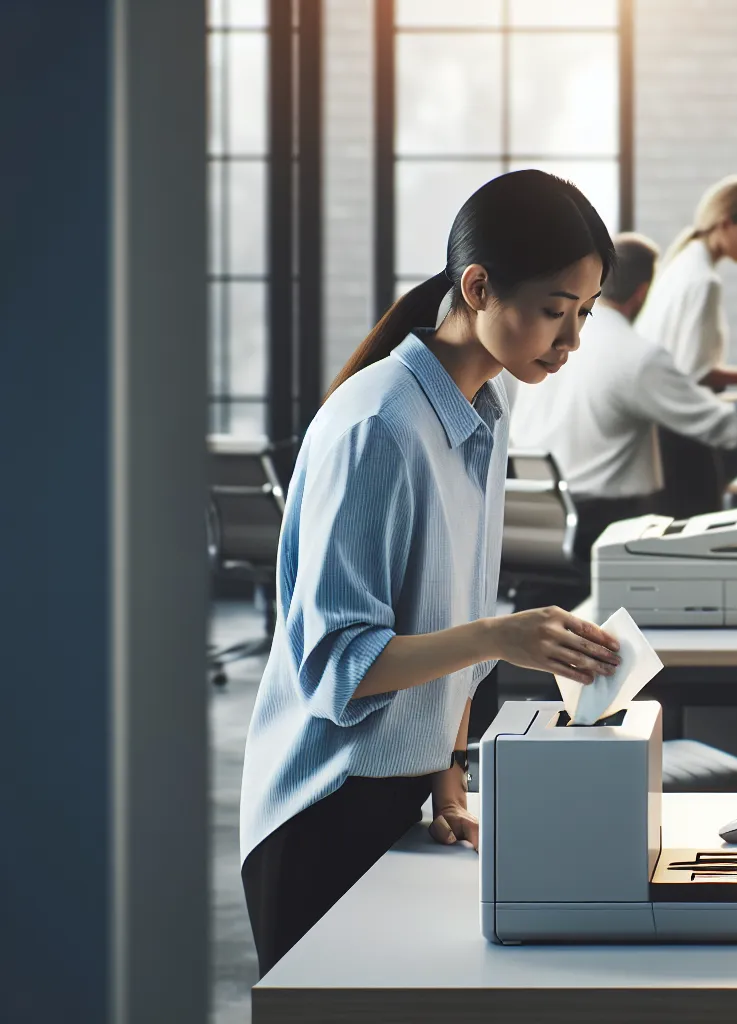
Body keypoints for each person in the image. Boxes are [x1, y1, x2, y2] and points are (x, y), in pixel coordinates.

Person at [237, 170, 625, 975]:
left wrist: (447, 769)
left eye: (583, 314)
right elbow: (341, 668)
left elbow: (457, 596)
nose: (572, 340)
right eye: (555, 310)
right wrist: (498, 639)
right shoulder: (382, 424)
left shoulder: (487, 403)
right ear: (477, 287)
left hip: (403, 789)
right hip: (323, 813)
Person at [510, 232, 737, 601]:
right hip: (608, 532)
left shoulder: (550, 345)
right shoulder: (637, 357)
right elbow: (716, 425)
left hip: (536, 533)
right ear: (642, 293)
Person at [635, 174, 737, 517]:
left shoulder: (679, 266)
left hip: (660, 430)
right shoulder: (704, 281)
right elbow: (696, 373)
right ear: (725, 224)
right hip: (682, 436)